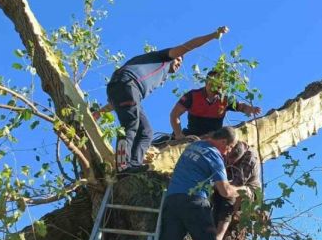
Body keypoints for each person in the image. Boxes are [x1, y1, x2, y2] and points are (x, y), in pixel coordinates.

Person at [96, 27, 228, 170]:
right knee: (130, 125)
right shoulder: (163, 58)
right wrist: (214, 35)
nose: (179, 64)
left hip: (123, 90)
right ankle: (122, 166)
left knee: (146, 132)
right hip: (129, 85)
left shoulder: (153, 72)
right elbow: (189, 46)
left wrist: (99, 113)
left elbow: (118, 99)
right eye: (178, 59)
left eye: (181, 63)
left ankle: (134, 165)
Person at [150, 126, 247, 240]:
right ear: (224, 142)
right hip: (194, 203)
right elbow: (225, 191)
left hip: (172, 202)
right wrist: (242, 190)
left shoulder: (193, 147)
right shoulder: (213, 154)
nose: (228, 153)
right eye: (229, 148)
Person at [169, 70, 261, 140]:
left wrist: (251, 109)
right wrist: (178, 134)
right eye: (213, 81)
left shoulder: (224, 99)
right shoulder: (192, 95)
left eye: (219, 82)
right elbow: (175, 114)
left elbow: (240, 106)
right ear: (206, 82)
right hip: (192, 137)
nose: (216, 84)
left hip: (215, 138)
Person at [212, 141, 261, 240]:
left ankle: (218, 238)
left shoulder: (250, 159)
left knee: (230, 194)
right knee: (219, 194)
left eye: (231, 161)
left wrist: (223, 187)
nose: (228, 162)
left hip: (249, 192)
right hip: (230, 183)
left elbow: (236, 184)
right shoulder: (229, 146)